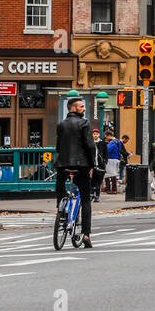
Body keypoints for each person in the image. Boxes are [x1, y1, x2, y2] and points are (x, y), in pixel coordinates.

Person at [55, 97, 96, 248]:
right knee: (85, 199)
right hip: (81, 165)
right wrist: (92, 164)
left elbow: (58, 146)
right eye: (81, 107)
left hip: (63, 164)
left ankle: (61, 210)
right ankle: (86, 234)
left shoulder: (61, 124)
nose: (84, 109)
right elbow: (90, 146)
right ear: (73, 108)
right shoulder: (84, 123)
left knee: (60, 186)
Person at [90, 127, 107, 202]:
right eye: (94, 134)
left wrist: (105, 161)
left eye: (96, 134)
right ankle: (91, 194)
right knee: (91, 180)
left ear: (99, 135)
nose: (95, 135)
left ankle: (97, 196)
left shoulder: (102, 143)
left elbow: (106, 153)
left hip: (100, 164)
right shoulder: (90, 142)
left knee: (98, 181)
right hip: (91, 165)